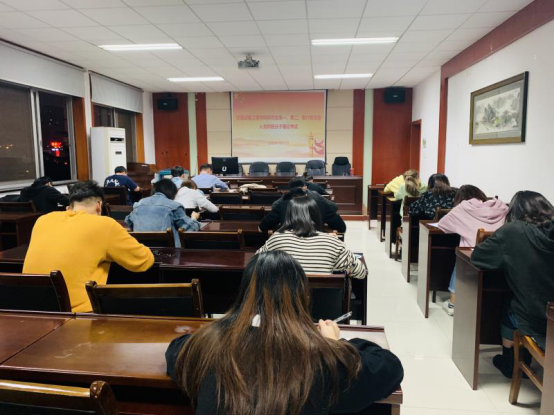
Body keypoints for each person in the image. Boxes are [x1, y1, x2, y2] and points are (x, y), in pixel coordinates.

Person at [165, 251, 403, 414]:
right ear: (302, 295)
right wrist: (335, 344)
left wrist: (219, 328)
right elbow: (390, 366)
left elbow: (176, 349)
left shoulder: (207, 346)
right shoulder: (324, 359)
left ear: (245, 293)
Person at [23, 181, 154, 313]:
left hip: (32, 310)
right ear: (99, 206)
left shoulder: (43, 220)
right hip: (77, 315)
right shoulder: (104, 224)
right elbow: (144, 261)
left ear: (69, 207)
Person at [472, 191, 554, 378]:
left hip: (536, 317)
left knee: (510, 307)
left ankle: (511, 363)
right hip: (551, 314)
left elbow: (478, 257)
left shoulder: (513, 231)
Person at [438, 185, 508, 316]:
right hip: (500, 259)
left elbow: (442, 224)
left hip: (474, 261)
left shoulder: (462, 209)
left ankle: (453, 303)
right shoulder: (502, 207)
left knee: (461, 256)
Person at [258, 196, 366, 279]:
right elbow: (361, 272)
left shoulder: (276, 239)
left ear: (289, 216)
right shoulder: (333, 243)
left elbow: (255, 264)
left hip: (285, 301)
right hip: (324, 301)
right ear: (317, 215)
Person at [126, 179, 202, 247]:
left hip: (142, 250)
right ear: (172, 192)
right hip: (170, 253)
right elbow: (190, 229)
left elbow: (129, 222)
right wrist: (194, 218)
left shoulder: (138, 204)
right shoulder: (174, 206)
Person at [258, 177, 346, 233]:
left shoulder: (282, 203)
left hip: (288, 244)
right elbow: (341, 227)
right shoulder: (319, 201)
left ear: (290, 189)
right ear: (305, 187)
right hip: (315, 242)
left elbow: (261, 227)